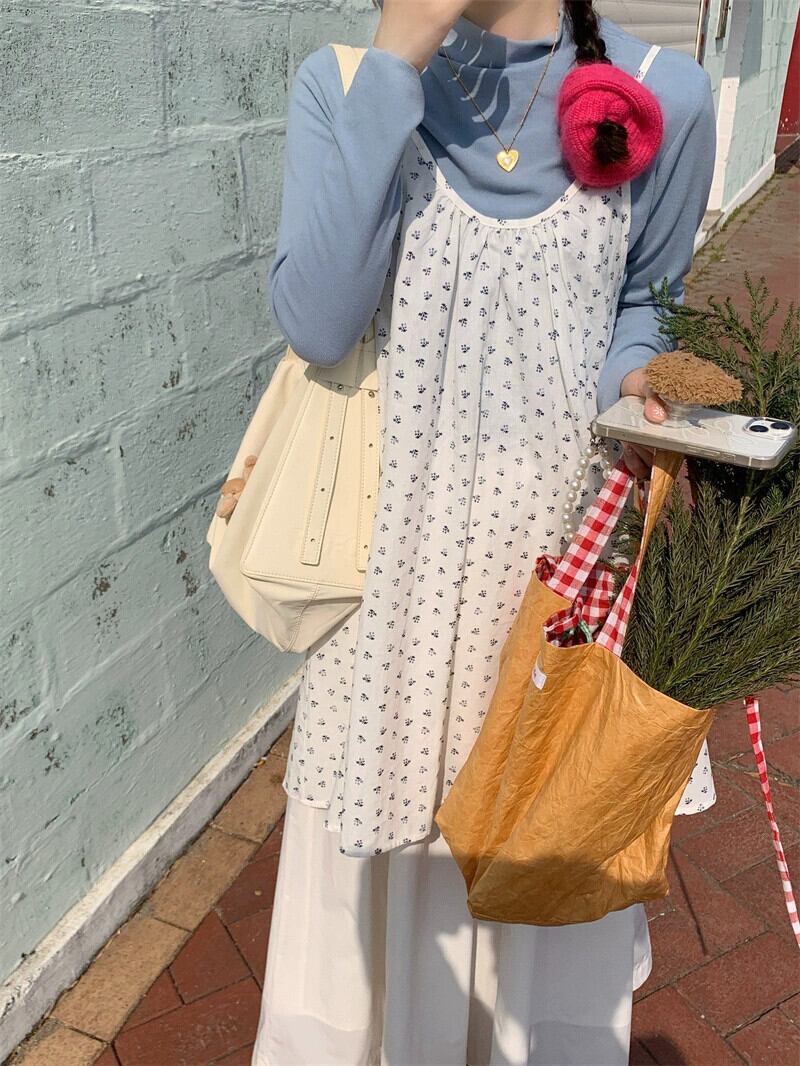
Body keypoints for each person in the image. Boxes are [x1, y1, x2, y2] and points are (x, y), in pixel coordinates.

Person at [252, 2, 716, 1063]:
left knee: (545, 875)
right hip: (390, 606)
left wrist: (641, 378)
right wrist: (399, 56)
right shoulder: (345, 81)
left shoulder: (667, 93)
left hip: (558, 594)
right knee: (381, 924)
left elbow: (646, 305)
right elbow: (318, 321)